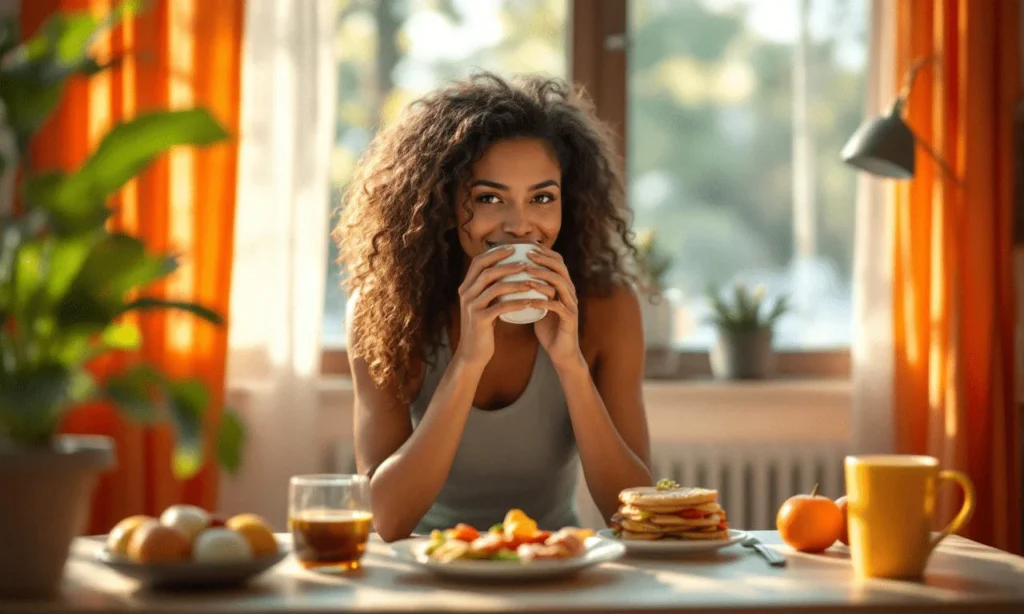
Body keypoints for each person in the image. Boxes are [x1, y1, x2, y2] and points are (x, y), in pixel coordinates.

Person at [335, 72, 652, 542]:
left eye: (542, 198)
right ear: (443, 205)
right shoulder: (385, 312)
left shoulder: (608, 308)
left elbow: (634, 514)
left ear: (568, 203)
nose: (520, 225)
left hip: (553, 561)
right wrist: (467, 361)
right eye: (489, 198)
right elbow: (385, 519)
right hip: (430, 563)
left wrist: (570, 364)